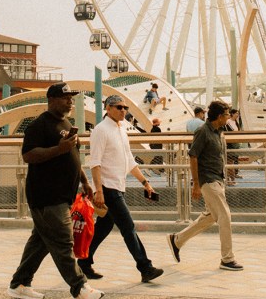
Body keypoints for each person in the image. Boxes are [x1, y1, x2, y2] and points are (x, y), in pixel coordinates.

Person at [8, 82, 104, 299]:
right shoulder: (39, 125)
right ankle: (80, 288)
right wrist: (58, 149)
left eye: (71, 97)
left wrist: (84, 181)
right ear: (51, 99)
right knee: (62, 241)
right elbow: (29, 155)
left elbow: (72, 156)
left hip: (62, 195)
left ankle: (19, 284)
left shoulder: (66, 123)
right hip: (46, 196)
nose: (70, 101)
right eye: (65, 97)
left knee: (40, 242)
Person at [77, 94, 164, 283]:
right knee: (128, 228)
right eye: (118, 107)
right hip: (107, 188)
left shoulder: (121, 129)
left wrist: (145, 183)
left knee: (104, 227)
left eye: (125, 107)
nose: (123, 110)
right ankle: (145, 267)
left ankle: (83, 262)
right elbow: (95, 162)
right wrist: (98, 190)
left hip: (117, 185)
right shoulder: (101, 130)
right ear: (108, 108)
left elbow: (129, 161)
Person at [166, 101, 243, 271]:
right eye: (226, 114)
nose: (229, 117)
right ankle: (227, 258)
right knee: (225, 216)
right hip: (208, 180)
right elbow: (193, 156)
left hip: (218, 179)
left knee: (209, 217)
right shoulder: (203, 132)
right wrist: (196, 184)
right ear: (218, 116)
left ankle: (177, 240)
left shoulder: (220, 132)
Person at [224, 108, 241, 185]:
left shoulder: (236, 122)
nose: (237, 115)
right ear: (232, 114)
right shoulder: (228, 122)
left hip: (235, 144)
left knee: (233, 161)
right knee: (230, 162)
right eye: (236, 113)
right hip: (230, 144)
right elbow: (231, 131)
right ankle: (231, 180)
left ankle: (232, 178)